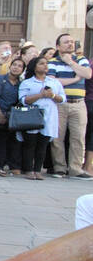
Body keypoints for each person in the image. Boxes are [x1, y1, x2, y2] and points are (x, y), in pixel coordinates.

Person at [47, 32, 92, 178]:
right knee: (57, 137)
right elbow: (53, 82)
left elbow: (87, 74)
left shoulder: (81, 59)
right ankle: (60, 167)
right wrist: (74, 79)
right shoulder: (52, 62)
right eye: (66, 42)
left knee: (78, 137)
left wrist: (70, 63)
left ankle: (75, 169)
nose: (70, 44)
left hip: (79, 104)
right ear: (58, 46)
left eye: (72, 41)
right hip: (59, 104)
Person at [18, 53, 66, 179]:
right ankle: (28, 170)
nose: (45, 66)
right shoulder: (27, 83)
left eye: (46, 63)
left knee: (42, 145)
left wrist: (52, 96)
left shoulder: (54, 82)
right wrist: (40, 95)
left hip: (49, 117)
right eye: (41, 63)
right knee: (30, 144)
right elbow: (24, 100)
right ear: (34, 67)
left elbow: (62, 99)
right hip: (32, 116)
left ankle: (38, 170)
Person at [0, 55, 25, 175]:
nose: (16, 68)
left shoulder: (21, 84)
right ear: (10, 66)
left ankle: (12, 165)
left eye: (20, 66)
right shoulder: (0, 80)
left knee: (13, 142)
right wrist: (0, 114)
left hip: (14, 117)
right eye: (14, 65)